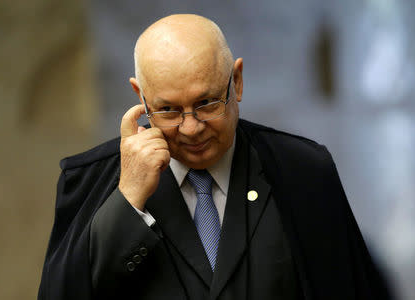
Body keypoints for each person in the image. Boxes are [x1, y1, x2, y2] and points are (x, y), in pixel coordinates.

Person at [38, 14, 391, 300]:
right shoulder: (88, 180)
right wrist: (127, 201)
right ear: (140, 97)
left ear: (236, 82)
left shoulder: (303, 170)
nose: (191, 128)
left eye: (206, 103)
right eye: (168, 109)